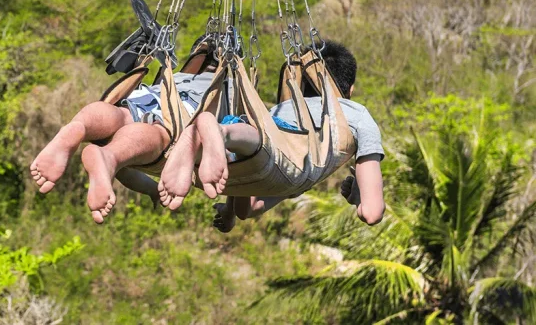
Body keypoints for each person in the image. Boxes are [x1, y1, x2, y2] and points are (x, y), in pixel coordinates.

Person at [157, 41, 385, 229]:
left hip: (260, 138)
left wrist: (230, 212)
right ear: (350, 89)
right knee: (266, 155)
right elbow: (372, 213)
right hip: (287, 154)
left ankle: (219, 132)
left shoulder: (279, 109)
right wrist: (359, 198)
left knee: (256, 148)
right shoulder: (357, 115)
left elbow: (247, 208)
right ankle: (219, 132)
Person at [29, 39, 224, 224]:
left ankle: (79, 126)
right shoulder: (227, 89)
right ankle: (110, 156)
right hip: (188, 111)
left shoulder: (175, 78)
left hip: (152, 94)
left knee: (121, 114)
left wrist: (152, 190)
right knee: (158, 134)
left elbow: (126, 173)